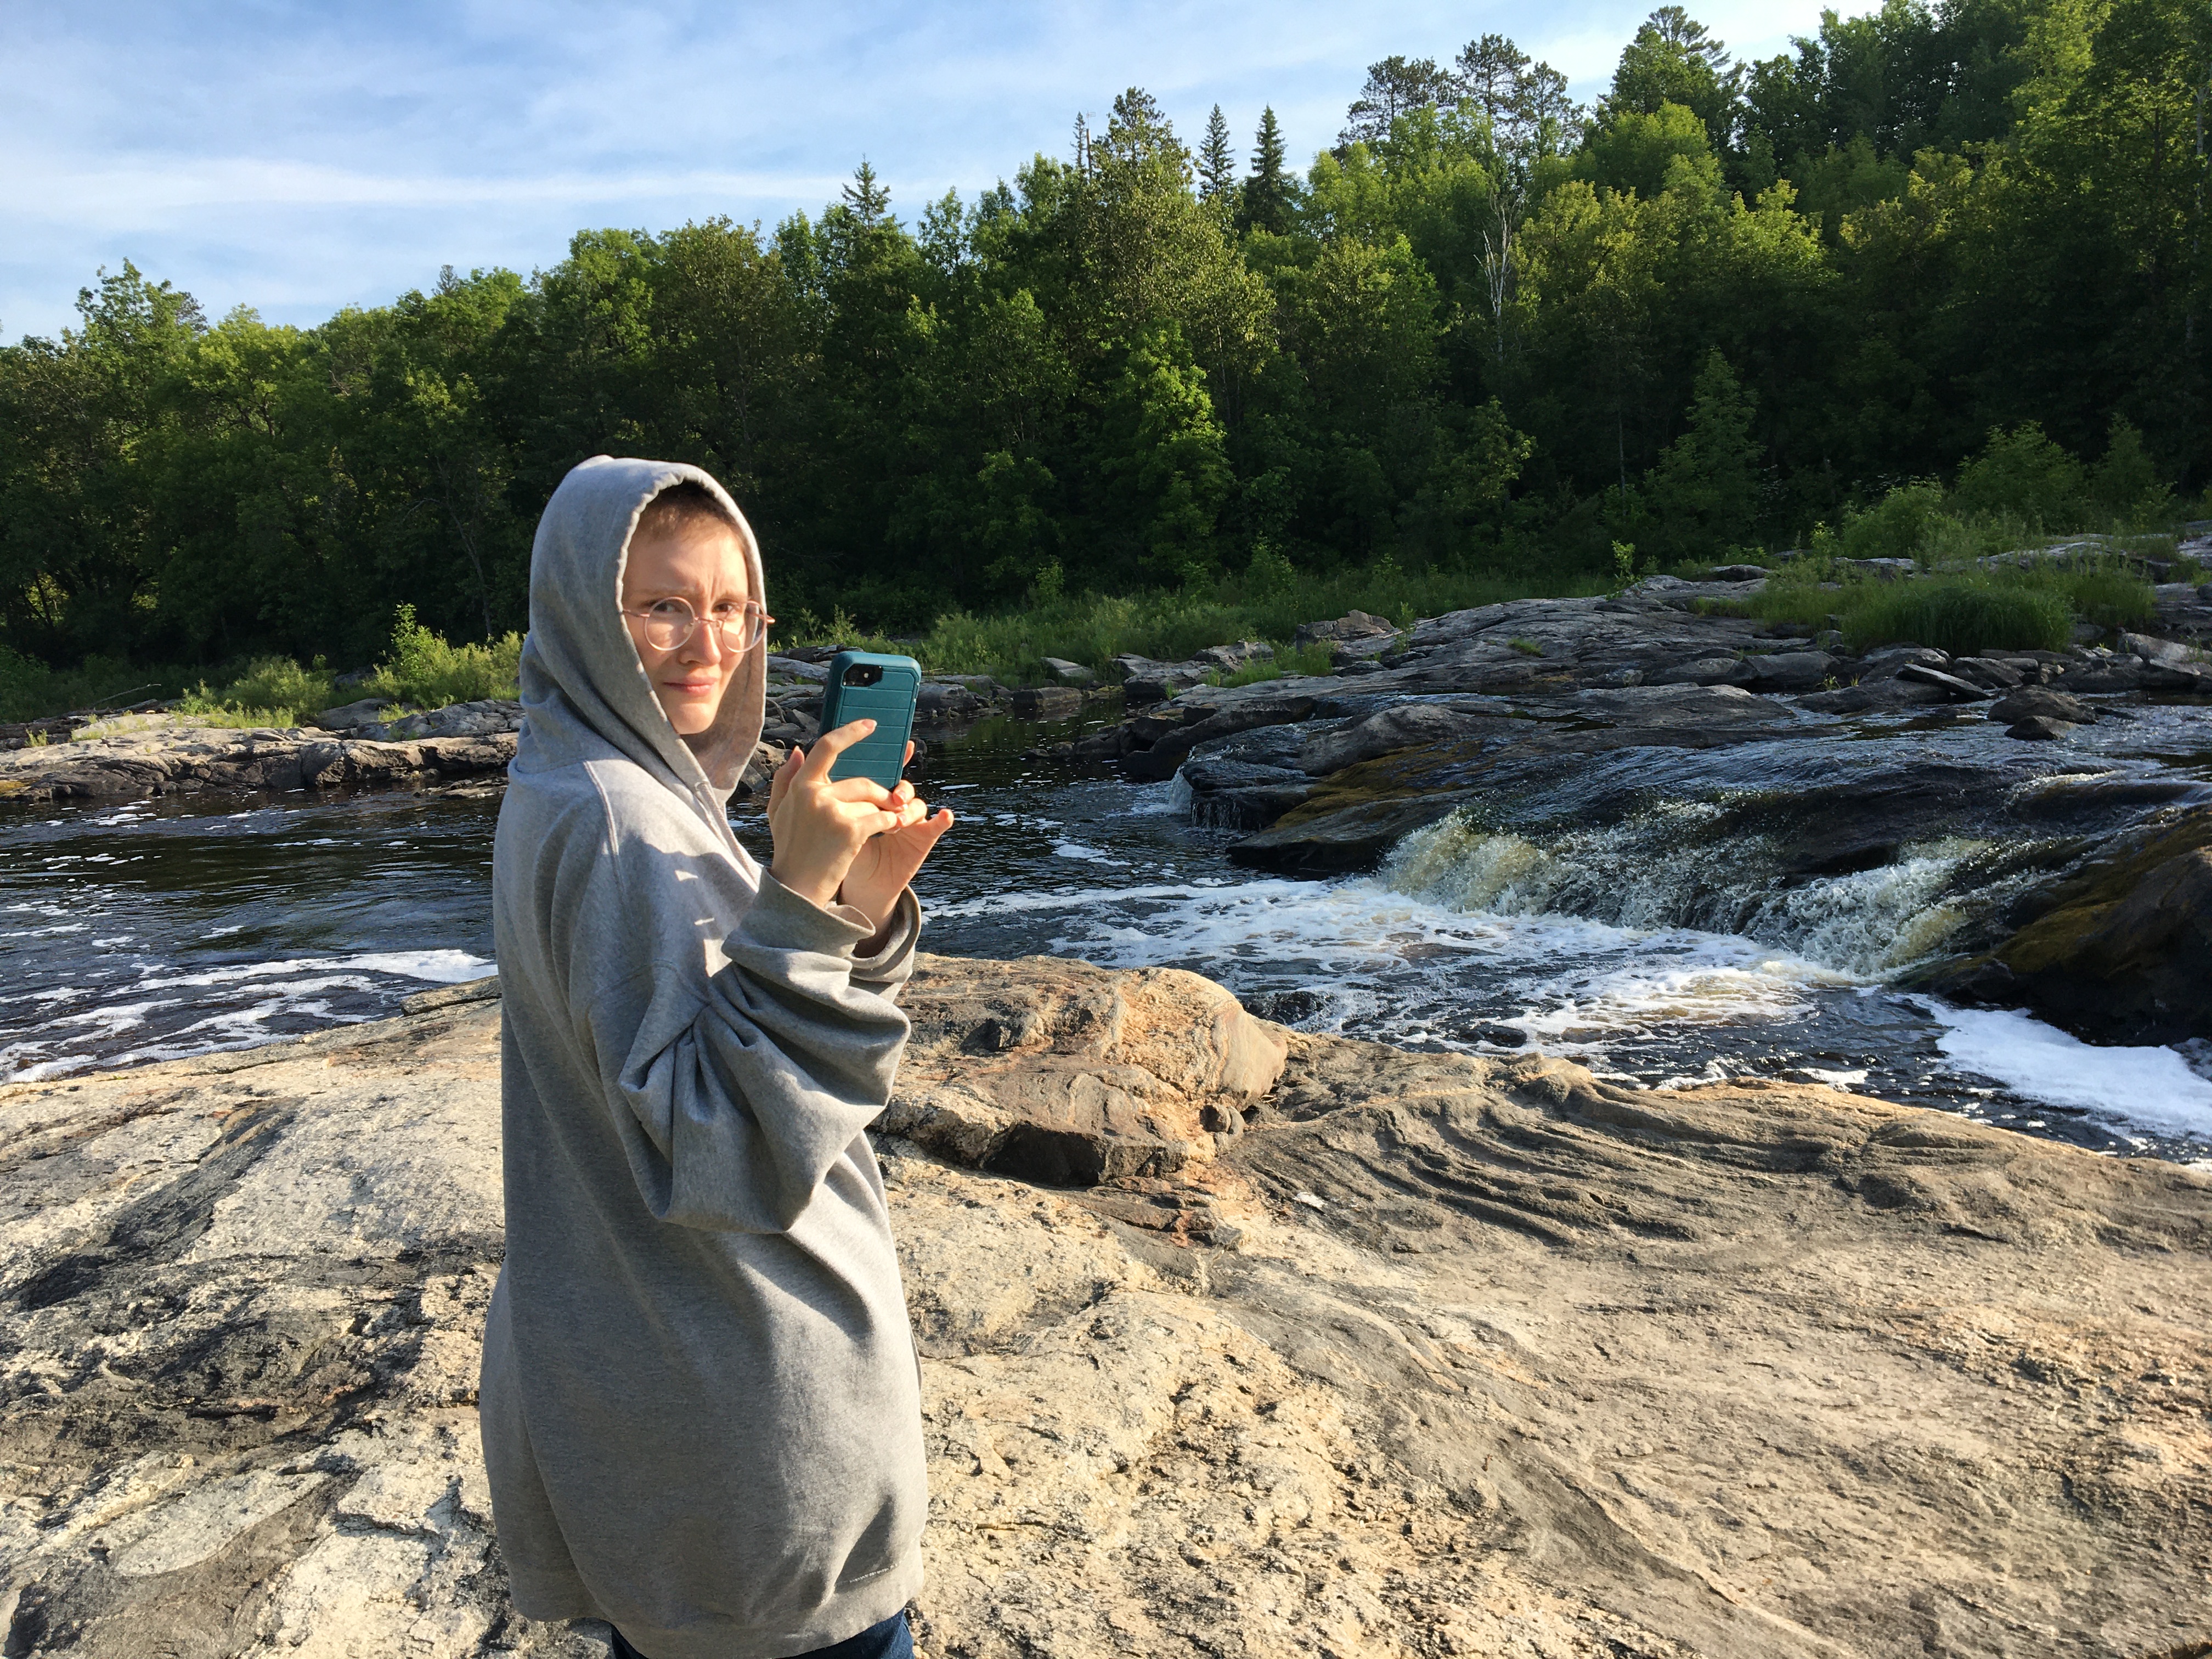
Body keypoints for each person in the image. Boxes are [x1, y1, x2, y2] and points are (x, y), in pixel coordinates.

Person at [478, 455, 953, 1659]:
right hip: (747, 1437)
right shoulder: (617, 822)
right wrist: (794, 896)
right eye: (664, 607)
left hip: (685, 1412)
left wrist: (850, 908)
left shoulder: (579, 782)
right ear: (586, 613)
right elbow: (724, 1149)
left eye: (733, 607)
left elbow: (738, 1051)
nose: (710, 644)